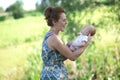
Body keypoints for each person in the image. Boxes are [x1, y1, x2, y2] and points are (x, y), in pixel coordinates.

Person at [40, 6, 92, 80]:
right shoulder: (54, 38)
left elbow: (59, 58)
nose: (66, 23)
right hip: (54, 77)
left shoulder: (51, 36)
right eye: (63, 20)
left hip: (50, 76)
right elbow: (72, 57)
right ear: (54, 21)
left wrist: (75, 43)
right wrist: (86, 45)